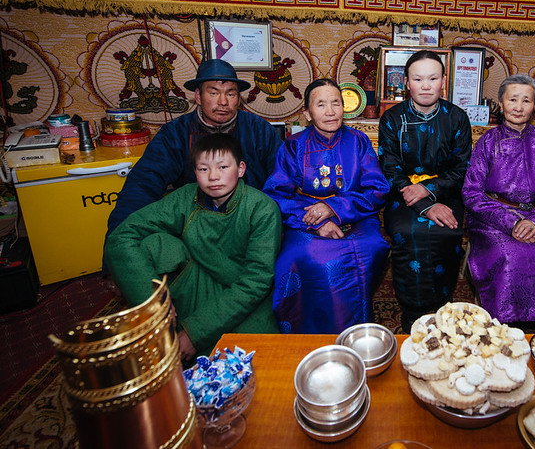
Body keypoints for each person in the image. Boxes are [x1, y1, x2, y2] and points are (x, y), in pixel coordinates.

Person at [105, 133, 282, 360]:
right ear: (194, 172)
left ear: (240, 169)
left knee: (252, 365)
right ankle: (162, 323)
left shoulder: (262, 209)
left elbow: (255, 282)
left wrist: (194, 333)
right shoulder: (186, 197)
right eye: (203, 169)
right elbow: (122, 235)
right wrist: (154, 306)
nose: (213, 177)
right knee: (153, 243)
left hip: (242, 296)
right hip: (195, 282)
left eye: (223, 167)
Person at [263, 79, 390, 333]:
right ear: (308, 114)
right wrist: (318, 220)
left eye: (336, 103)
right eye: (321, 105)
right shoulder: (293, 146)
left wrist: (334, 208)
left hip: (356, 216)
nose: (330, 111)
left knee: (373, 248)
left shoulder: (358, 141)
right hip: (306, 219)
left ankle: (355, 330)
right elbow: (275, 195)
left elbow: (377, 189)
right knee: (298, 258)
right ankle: (307, 332)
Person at [106, 58, 281, 235]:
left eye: (230, 94)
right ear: (198, 96)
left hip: (250, 220)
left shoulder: (259, 129)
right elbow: (144, 182)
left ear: (238, 99)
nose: (222, 102)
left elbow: (281, 179)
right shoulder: (175, 133)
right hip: (196, 224)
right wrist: (123, 231)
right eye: (213, 93)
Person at [462, 74, 535, 328]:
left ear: (534, 105)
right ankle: (506, 327)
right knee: (510, 256)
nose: (518, 106)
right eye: (512, 99)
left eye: (526, 100)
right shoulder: (487, 142)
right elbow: (472, 193)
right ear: (501, 104)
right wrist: (511, 222)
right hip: (494, 220)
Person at [378, 50, 472, 332]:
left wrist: (430, 189)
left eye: (433, 78)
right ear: (406, 82)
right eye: (418, 79)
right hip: (402, 195)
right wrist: (421, 202)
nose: (426, 85)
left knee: (447, 231)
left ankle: (443, 304)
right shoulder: (392, 118)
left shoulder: (457, 118)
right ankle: (412, 309)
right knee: (409, 233)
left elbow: (461, 168)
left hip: (446, 192)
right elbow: (389, 167)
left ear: (444, 80)